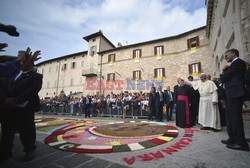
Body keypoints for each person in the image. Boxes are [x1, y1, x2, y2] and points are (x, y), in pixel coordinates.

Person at [1, 49, 43, 161]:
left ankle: (29, 150)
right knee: (7, 131)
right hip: (7, 107)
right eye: (21, 61)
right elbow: (2, 87)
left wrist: (16, 101)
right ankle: (5, 151)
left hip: (24, 107)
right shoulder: (11, 74)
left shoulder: (36, 76)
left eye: (24, 61)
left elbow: (33, 90)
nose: (22, 63)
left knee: (27, 130)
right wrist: (4, 99)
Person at [220, 49, 249, 151]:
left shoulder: (238, 62)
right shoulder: (233, 64)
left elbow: (225, 77)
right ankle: (232, 138)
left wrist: (224, 74)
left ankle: (242, 143)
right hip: (231, 95)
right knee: (230, 118)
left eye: (226, 54)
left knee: (236, 119)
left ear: (234, 54)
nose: (225, 57)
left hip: (235, 94)